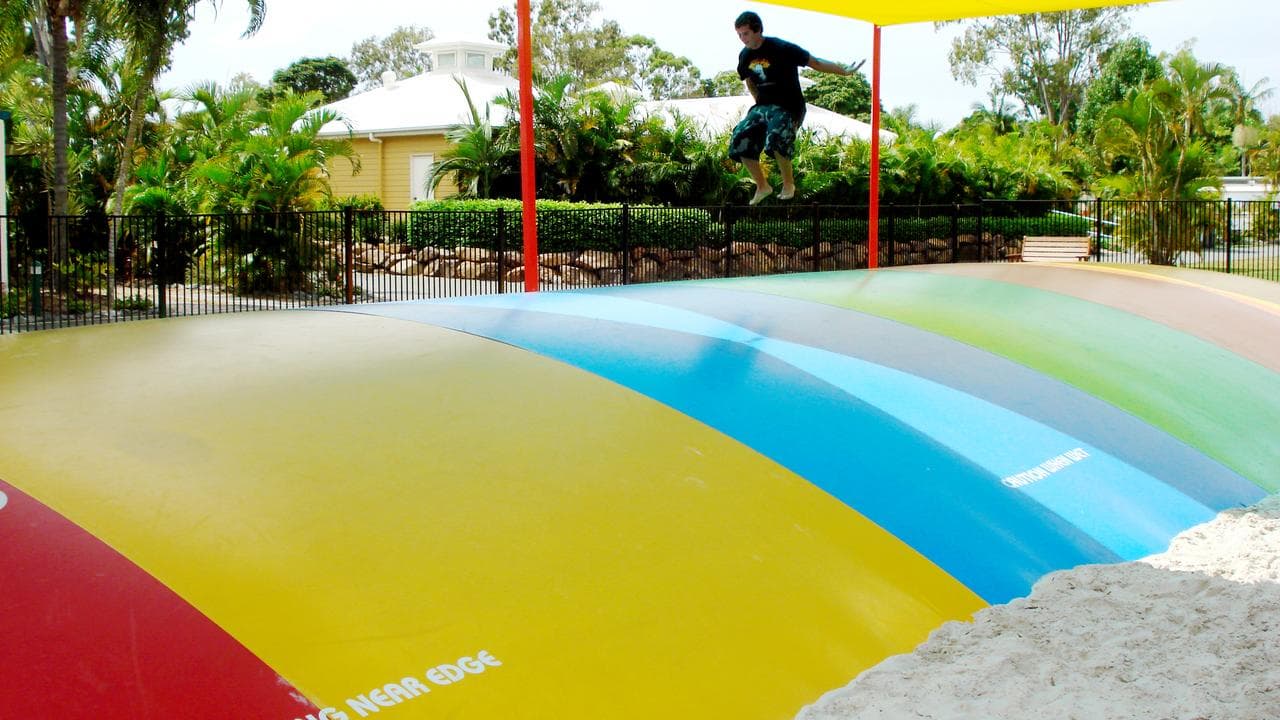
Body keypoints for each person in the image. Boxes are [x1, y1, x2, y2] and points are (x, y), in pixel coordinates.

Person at [730, 11, 856, 205]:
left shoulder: (782, 48)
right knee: (739, 138)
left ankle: (788, 184)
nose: (742, 39)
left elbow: (815, 62)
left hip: (789, 106)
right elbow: (748, 80)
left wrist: (844, 71)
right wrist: (759, 102)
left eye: (745, 34)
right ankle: (762, 186)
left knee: (776, 137)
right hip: (763, 107)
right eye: (739, 35)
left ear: (757, 30)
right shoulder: (745, 55)